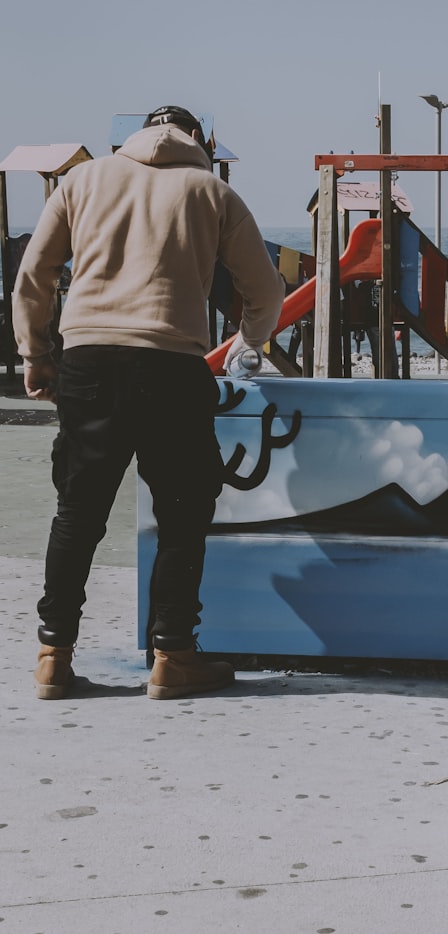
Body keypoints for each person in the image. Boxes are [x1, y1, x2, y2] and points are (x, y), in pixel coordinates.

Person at [13, 105, 284, 700]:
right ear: (199, 139)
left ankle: (53, 656)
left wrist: (36, 354)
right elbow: (265, 291)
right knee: (182, 515)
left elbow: (34, 274)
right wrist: (249, 343)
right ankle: (173, 656)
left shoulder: (81, 181)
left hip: (87, 363)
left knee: (77, 513)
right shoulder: (211, 191)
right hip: (171, 366)